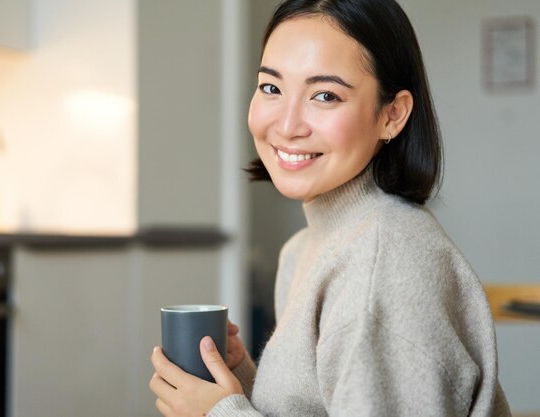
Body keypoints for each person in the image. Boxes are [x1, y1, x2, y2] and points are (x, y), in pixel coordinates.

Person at [150, 0, 512, 415]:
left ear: (392, 115)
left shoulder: (385, 262)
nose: (286, 125)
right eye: (271, 87)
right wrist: (246, 382)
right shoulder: (304, 248)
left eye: (325, 95)